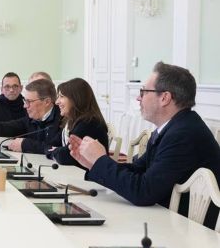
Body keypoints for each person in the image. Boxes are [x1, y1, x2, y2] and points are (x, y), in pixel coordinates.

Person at [69, 62, 220, 229]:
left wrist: (100, 161)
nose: (138, 98)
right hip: (171, 221)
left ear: (165, 98)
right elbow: (138, 170)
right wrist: (94, 163)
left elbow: (143, 192)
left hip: (192, 232)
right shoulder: (174, 127)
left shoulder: (183, 134)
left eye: (144, 91)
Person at [46, 78, 108, 167]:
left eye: (61, 96)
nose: (57, 102)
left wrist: (55, 151)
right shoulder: (71, 121)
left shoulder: (89, 123)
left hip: (89, 175)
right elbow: (50, 145)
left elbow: (67, 156)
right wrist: (57, 151)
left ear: (75, 99)